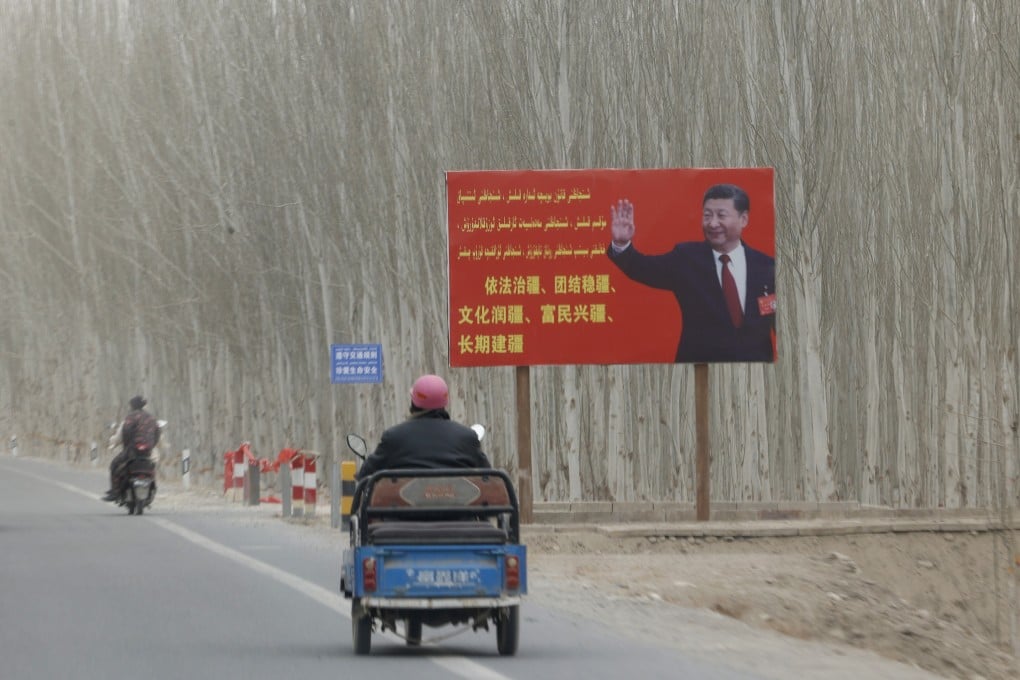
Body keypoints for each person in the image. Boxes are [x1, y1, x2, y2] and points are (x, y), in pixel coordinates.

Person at [606, 183, 776, 363]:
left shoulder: (766, 266)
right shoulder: (686, 258)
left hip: (756, 372)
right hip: (698, 367)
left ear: (744, 219)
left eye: (721, 215)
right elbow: (641, 267)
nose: (712, 223)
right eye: (707, 215)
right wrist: (621, 244)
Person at [356, 374, 491, 481]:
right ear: (445, 401)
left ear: (413, 401)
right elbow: (489, 477)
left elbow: (365, 475)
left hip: (403, 516)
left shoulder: (393, 437)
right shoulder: (466, 437)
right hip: (460, 514)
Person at [102, 395, 160, 501]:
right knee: (152, 465)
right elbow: (157, 433)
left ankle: (115, 491)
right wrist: (152, 445)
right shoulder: (151, 418)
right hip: (148, 450)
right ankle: (152, 488)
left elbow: (125, 432)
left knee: (114, 464)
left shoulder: (131, 417)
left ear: (132, 406)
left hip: (133, 450)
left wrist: (127, 445)